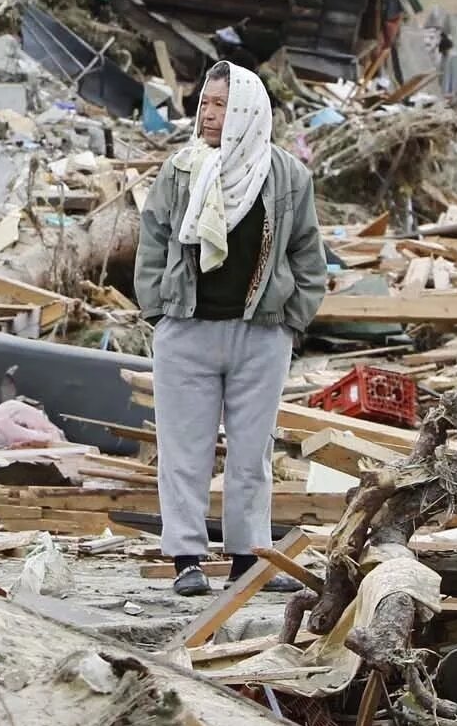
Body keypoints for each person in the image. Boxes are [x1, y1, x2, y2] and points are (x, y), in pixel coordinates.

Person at [134, 62, 328, 596]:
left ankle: (248, 559)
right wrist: (158, 312)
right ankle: (186, 561)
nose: (210, 114)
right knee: (184, 451)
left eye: (222, 104)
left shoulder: (287, 175)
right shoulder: (180, 170)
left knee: (252, 456)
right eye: (205, 104)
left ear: (247, 110)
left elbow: (308, 254)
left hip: (259, 336)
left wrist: (292, 319)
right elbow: (151, 242)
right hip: (188, 333)